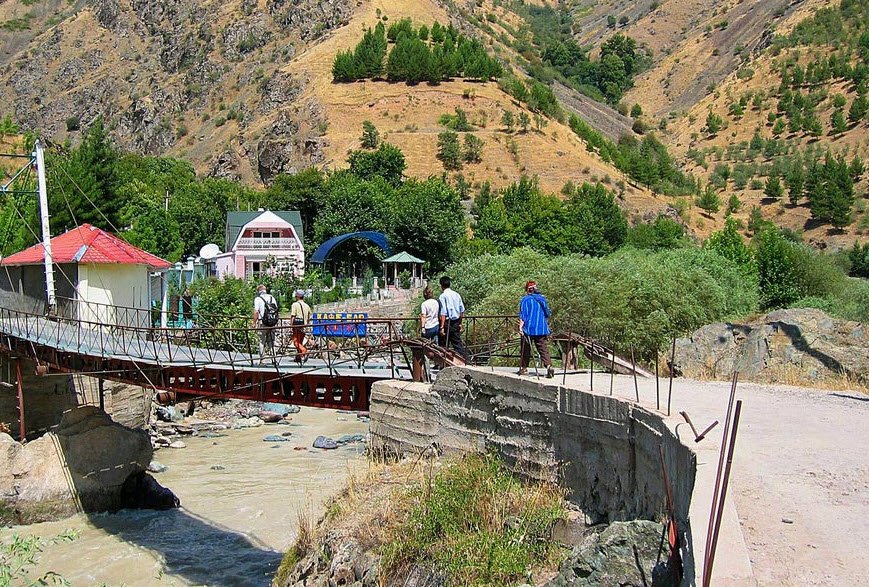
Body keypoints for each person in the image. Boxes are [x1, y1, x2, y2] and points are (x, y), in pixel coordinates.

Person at [518, 280, 554, 378]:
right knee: (542, 348)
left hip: (529, 328)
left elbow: (523, 315)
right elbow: (547, 313)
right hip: (541, 327)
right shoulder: (542, 299)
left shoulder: (525, 300)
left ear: (527, 290)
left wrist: (520, 327)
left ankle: (524, 368)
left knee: (525, 348)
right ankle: (548, 366)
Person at [438, 276, 469, 361]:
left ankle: (443, 362)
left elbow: (443, 312)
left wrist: (441, 327)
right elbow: (462, 310)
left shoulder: (443, 296)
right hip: (456, 321)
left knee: (443, 344)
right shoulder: (456, 294)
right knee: (457, 343)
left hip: (447, 322)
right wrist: (460, 323)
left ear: (441, 285)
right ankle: (466, 360)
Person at [253, 284, 279, 358]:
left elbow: (256, 312)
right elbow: (276, 309)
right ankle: (274, 359)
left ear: (258, 291)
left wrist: (254, 323)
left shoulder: (258, 299)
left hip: (263, 322)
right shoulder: (271, 297)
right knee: (271, 341)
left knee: (262, 341)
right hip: (272, 322)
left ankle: (262, 359)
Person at [289, 289, 312, 363]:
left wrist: (291, 326)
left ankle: (304, 351)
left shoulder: (295, 304)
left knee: (296, 342)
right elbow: (309, 317)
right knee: (300, 342)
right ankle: (298, 357)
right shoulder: (307, 306)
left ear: (297, 296)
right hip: (303, 326)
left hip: (297, 326)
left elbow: (293, 316)